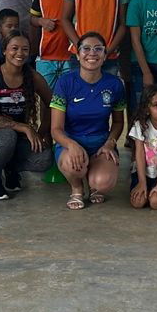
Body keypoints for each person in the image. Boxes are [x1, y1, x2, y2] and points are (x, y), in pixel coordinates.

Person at [50, 31, 127, 209]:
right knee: (74, 166)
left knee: (103, 182)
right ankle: (77, 188)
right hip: (71, 143)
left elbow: (118, 122)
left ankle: (94, 183)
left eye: (98, 49)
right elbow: (56, 129)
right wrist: (71, 145)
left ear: (105, 55)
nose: (92, 53)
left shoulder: (115, 84)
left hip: (100, 143)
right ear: (77, 54)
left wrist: (110, 143)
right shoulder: (65, 82)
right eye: (86, 48)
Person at [0, 30, 54, 200]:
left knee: (45, 158)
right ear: (4, 50)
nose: (20, 53)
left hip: (18, 138)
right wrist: (25, 127)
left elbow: (53, 103)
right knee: (7, 136)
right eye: (14, 48)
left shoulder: (32, 77)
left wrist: (41, 132)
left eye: (25, 49)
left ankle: (11, 168)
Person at [30, 0, 75, 86]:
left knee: (70, 99)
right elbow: (32, 19)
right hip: (47, 55)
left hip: (73, 55)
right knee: (46, 100)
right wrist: (42, 21)